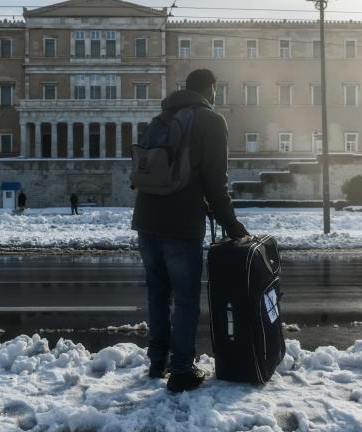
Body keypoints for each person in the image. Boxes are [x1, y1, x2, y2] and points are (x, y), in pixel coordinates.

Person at [131, 69, 249, 393]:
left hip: (145, 219)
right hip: (180, 225)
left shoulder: (162, 117)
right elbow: (215, 181)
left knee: (157, 294)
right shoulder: (211, 121)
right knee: (184, 299)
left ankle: (157, 361)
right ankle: (181, 369)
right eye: (215, 91)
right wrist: (232, 223)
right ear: (211, 89)